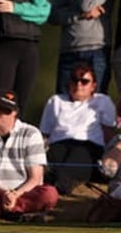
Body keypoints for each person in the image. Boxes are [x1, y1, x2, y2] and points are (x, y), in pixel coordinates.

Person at [0, 91, 59, 220]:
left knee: (50, 194)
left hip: (23, 193)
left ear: (14, 113)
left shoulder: (31, 133)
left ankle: (1, 210)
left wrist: (15, 195)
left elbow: (35, 178)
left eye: (3, 110)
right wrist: (5, 193)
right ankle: (15, 212)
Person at [40, 61, 116, 194]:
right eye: (74, 80)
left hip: (88, 145)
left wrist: (109, 157)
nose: (78, 84)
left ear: (93, 86)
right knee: (48, 165)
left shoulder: (102, 101)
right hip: (59, 143)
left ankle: (58, 187)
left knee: (70, 167)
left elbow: (108, 133)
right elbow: (45, 133)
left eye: (84, 81)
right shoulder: (56, 101)